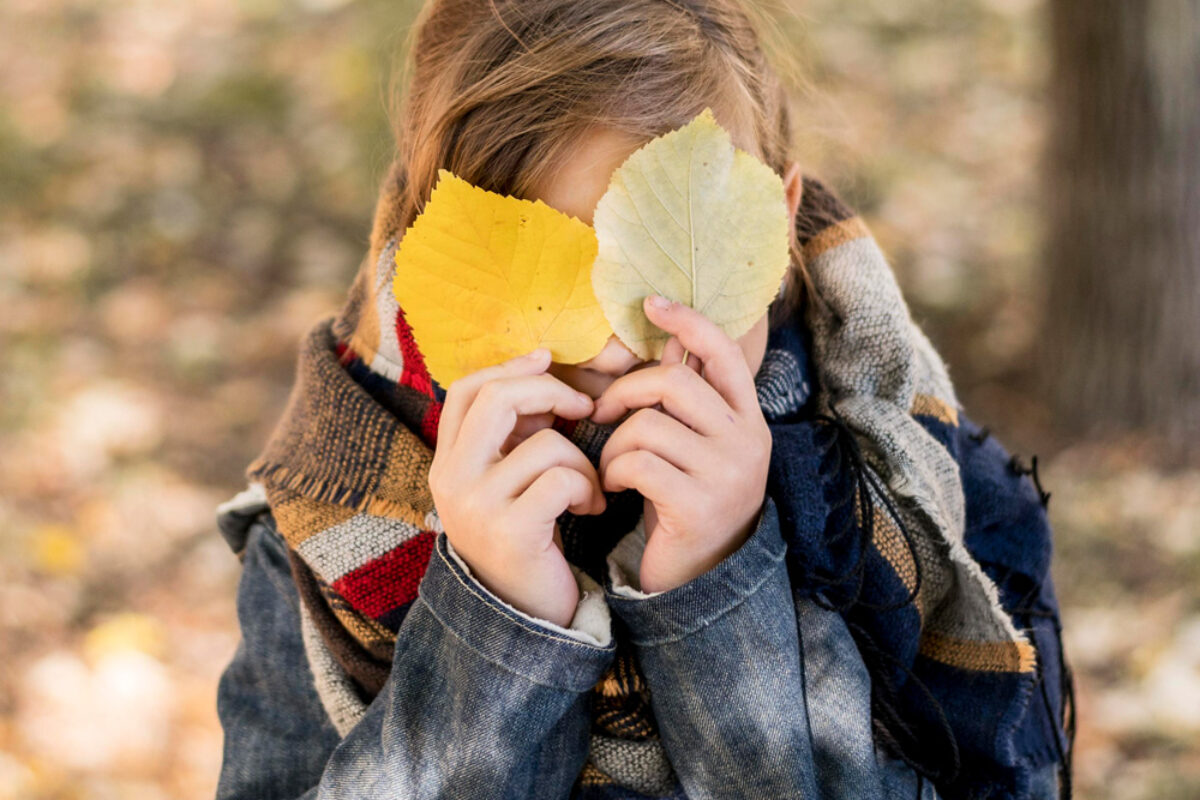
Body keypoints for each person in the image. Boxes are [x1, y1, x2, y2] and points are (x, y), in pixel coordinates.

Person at [212, 1, 1073, 798]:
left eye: (661, 271)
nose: (623, 349)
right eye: (558, 276)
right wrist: (495, 633)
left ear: (776, 221)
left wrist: (720, 594)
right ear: (438, 252)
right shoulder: (321, 541)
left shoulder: (914, 497)